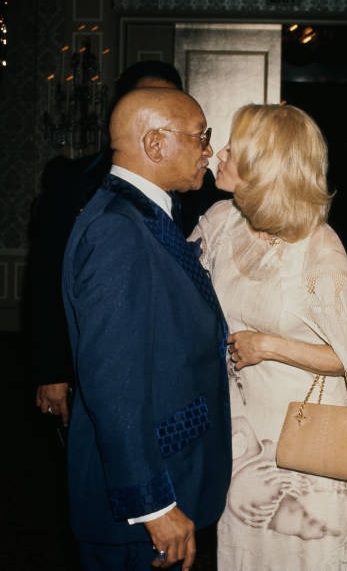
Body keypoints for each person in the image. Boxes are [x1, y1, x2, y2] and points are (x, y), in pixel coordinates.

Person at [189, 104, 347, 570]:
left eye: (234, 149)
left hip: (305, 435)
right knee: (248, 547)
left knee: (303, 552)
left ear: (266, 167)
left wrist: (269, 345)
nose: (219, 153)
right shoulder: (221, 222)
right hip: (242, 430)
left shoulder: (318, 248)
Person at [61, 87, 231, 570]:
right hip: (143, 503)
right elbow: (112, 382)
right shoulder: (118, 230)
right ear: (156, 144)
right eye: (201, 137)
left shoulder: (143, 212)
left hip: (171, 472)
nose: (210, 151)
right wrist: (153, 505)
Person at [32, 60, 228, 426]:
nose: (209, 150)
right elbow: (46, 278)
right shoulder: (87, 193)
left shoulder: (198, 187)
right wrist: (51, 370)